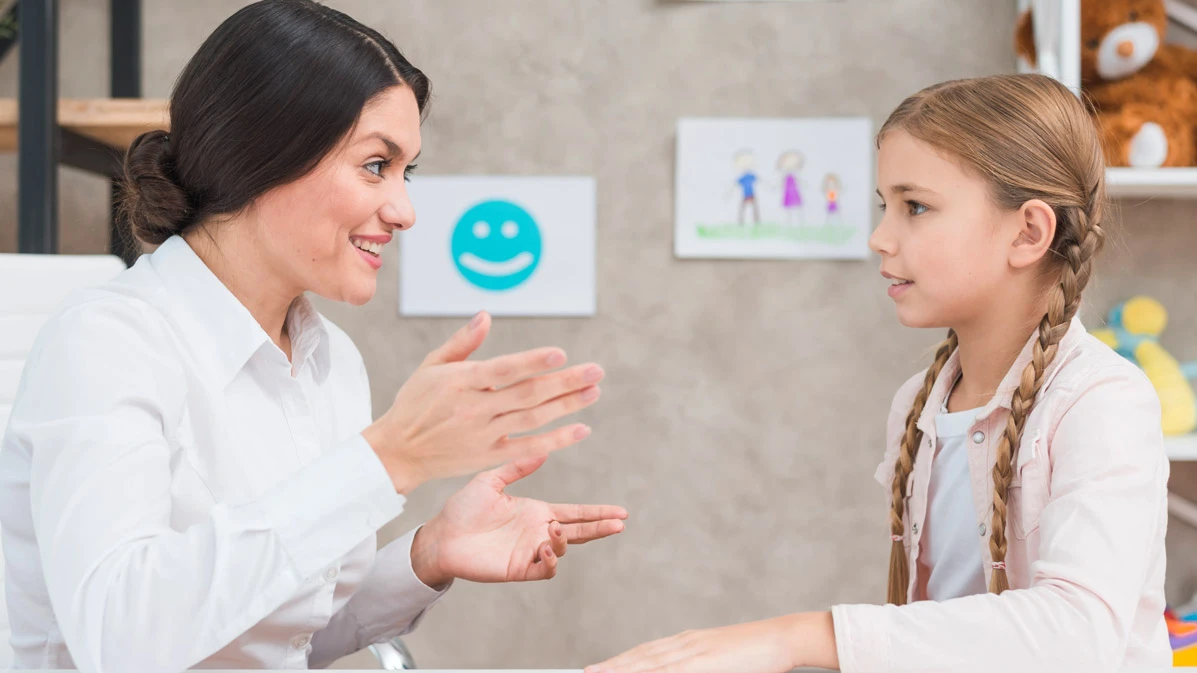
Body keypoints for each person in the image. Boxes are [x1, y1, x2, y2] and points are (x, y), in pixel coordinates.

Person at [0, 1, 626, 670]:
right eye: (375, 164)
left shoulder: (331, 361)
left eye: (406, 171)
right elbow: (120, 637)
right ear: (260, 154)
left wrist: (427, 555)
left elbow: (280, 639)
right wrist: (386, 459)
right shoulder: (107, 342)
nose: (405, 211)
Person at [589, 74, 1169, 673]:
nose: (879, 238)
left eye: (915, 206)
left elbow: (1076, 633)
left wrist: (799, 637)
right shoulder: (918, 404)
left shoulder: (1101, 402)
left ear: (1028, 232)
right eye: (883, 206)